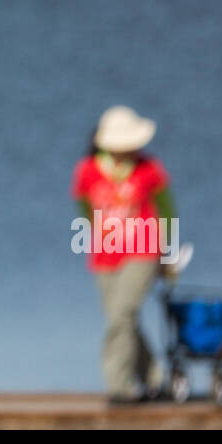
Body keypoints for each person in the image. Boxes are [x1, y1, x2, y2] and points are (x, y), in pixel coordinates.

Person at [70, 105, 177, 403]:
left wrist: (168, 254)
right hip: (104, 255)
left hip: (143, 250)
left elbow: (167, 212)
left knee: (123, 314)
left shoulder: (150, 168)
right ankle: (156, 379)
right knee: (121, 320)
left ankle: (120, 386)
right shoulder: (88, 170)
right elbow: (83, 206)